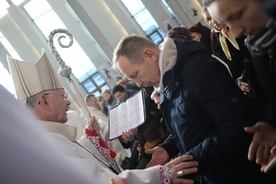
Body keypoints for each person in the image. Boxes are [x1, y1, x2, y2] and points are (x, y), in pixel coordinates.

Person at [7, 51, 199, 184]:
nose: (67, 102)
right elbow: (101, 180)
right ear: (44, 102)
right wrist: (160, 175)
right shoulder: (47, 147)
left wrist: (90, 138)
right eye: (63, 96)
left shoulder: (50, 140)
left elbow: (81, 158)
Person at [112, 34, 267, 183]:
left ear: (150, 55)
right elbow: (190, 121)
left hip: (242, 171)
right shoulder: (166, 77)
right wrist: (168, 148)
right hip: (217, 171)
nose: (137, 83)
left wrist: (188, 160)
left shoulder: (197, 70)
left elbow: (238, 127)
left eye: (136, 74)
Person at [202, 0, 276, 175]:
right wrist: (271, 123)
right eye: (226, 23)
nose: (235, 32)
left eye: (237, 16)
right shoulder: (256, 45)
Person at [85, 93, 131, 165]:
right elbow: (107, 126)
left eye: (97, 101)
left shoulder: (95, 111)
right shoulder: (92, 114)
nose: (97, 103)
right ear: (88, 104)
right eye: (95, 102)